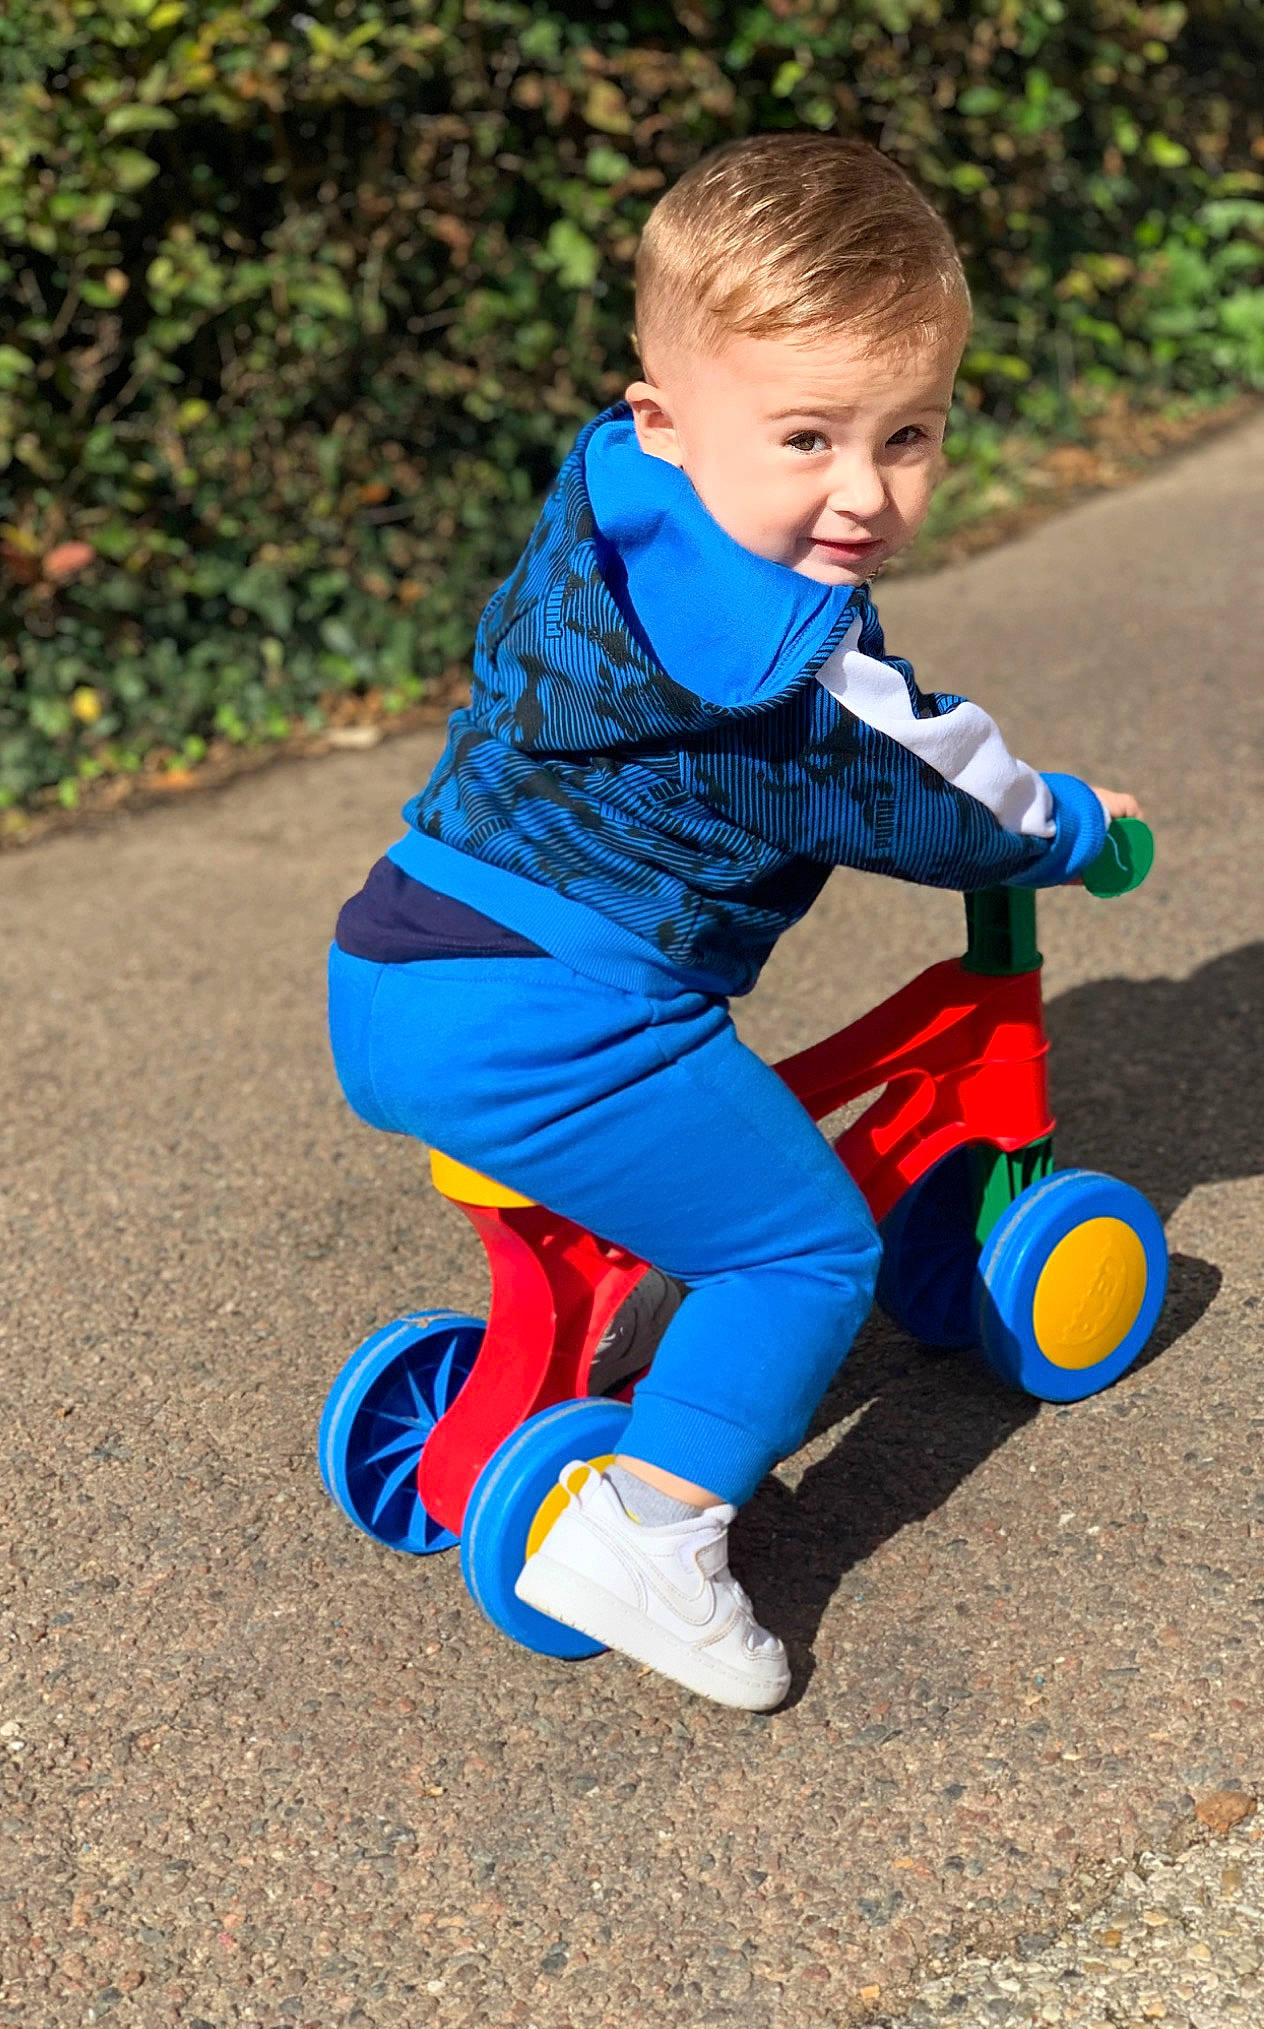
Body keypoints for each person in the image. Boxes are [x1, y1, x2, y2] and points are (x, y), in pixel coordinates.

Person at [326, 132, 1140, 1711]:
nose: (865, 490)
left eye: (910, 434)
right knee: (798, 1249)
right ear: (669, 416)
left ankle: (509, 1397)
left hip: (400, 959)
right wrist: (1079, 832)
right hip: (557, 1010)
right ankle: (650, 1531)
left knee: (693, 1142)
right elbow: (943, 797)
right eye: (809, 437)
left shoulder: (612, 511)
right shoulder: (786, 668)